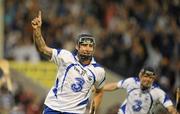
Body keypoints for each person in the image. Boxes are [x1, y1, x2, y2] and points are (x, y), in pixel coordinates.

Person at [31, 11, 106, 114]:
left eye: (90, 46)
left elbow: (99, 91)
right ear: (77, 46)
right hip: (54, 107)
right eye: (84, 45)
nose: (87, 48)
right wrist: (37, 30)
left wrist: (92, 111)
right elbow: (42, 48)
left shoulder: (99, 71)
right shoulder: (65, 56)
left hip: (75, 112)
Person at [103, 66, 179, 114]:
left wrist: (174, 111)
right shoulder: (131, 82)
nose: (148, 79)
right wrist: (98, 87)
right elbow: (114, 86)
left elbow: (170, 107)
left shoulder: (158, 92)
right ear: (140, 76)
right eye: (146, 76)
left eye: (151, 78)